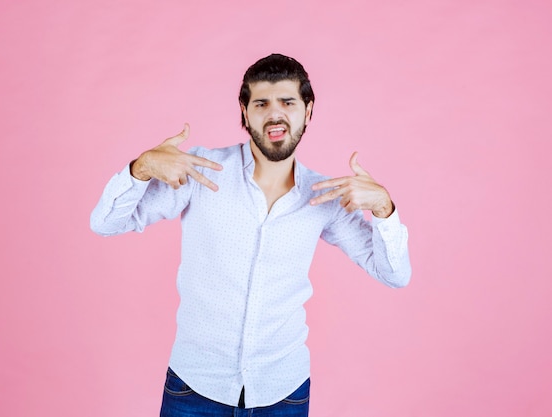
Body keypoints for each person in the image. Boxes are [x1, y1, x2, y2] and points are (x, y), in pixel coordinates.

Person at [90, 53, 411, 417]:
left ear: (308, 111)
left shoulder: (327, 196)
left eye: (288, 102)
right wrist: (142, 167)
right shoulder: (198, 171)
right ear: (244, 113)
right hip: (194, 388)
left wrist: (384, 208)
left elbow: (394, 274)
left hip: (283, 394)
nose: (275, 114)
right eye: (261, 103)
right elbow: (106, 222)